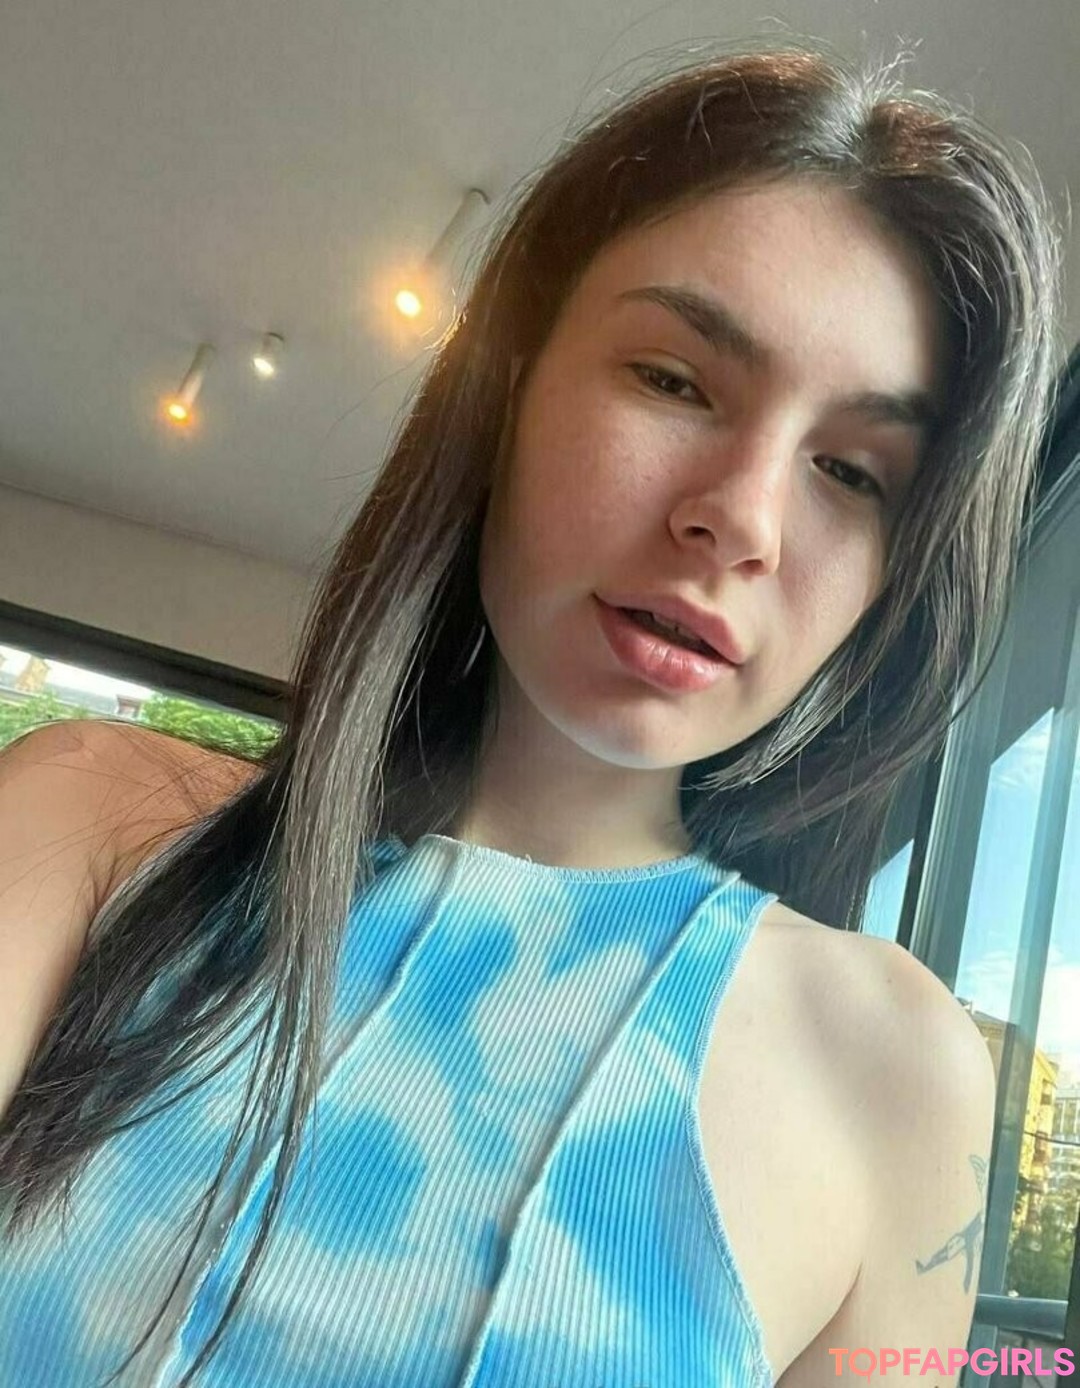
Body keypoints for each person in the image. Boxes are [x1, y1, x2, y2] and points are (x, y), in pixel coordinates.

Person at [0, 41, 1063, 1388]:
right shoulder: (84, 820)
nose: (741, 518)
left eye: (851, 471)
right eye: (674, 380)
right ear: (505, 389)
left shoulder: (892, 1073)